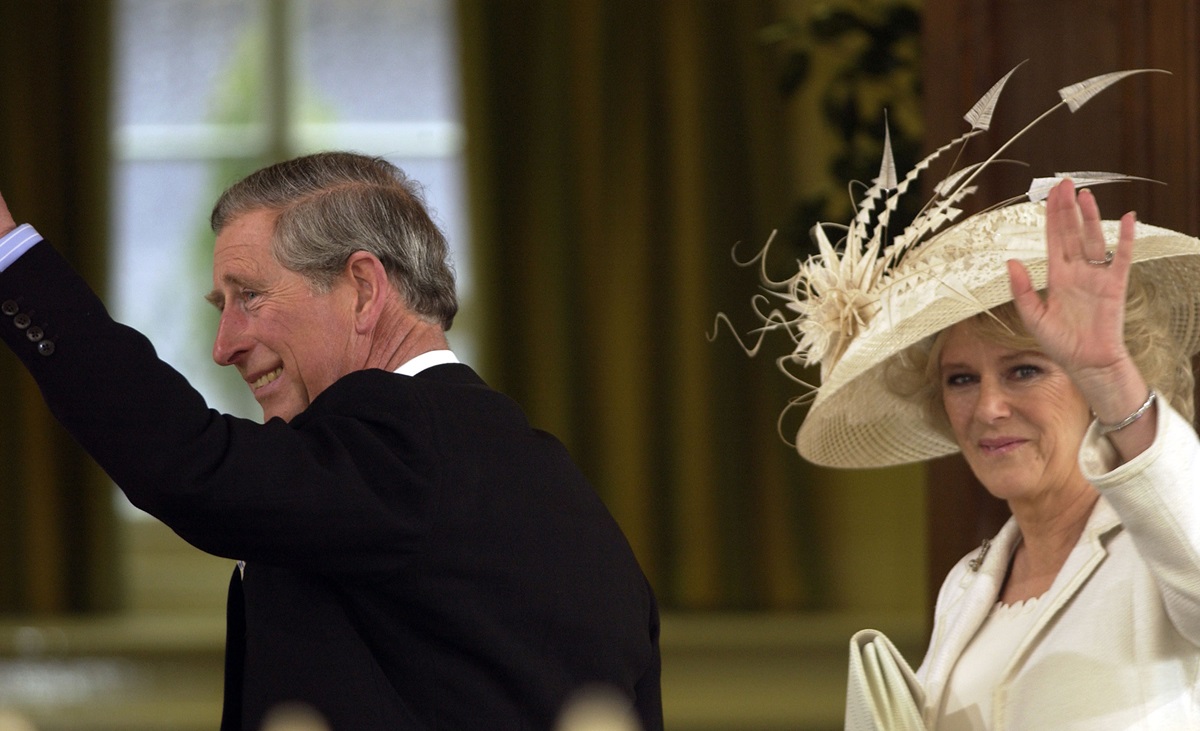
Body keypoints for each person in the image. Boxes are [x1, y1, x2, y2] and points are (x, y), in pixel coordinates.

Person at [0, 151, 662, 731]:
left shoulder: (406, 438)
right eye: (219, 306)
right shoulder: (541, 475)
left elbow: (189, 460)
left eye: (249, 296)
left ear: (364, 290)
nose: (224, 344)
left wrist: (9, 258)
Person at [733, 68, 1200, 729]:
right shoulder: (968, 587)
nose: (987, 409)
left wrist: (1113, 378)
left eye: (1025, 370)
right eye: (960, 378)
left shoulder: (1160, 552)